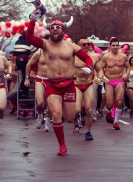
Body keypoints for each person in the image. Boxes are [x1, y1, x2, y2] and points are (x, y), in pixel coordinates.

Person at [26, 14, 93, 156]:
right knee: (56, 114)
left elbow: (87, 58)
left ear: (63, 30)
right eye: (52, 28)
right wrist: (32, 20)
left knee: (69, 118)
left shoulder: (72, 46)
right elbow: (30, 37)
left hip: (69, 84)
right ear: (49, 31)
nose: (55, 29)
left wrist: (89, 67)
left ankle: (59, 121)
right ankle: (62, 145)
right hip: (52, 85)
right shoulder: (45, 44)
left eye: (58, 27)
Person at [73, 37, 102, 140]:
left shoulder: (95, 56)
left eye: (88, 44)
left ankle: (88, 132)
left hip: (88, 84)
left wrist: (99, 78)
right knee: (77, 109)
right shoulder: (72, 56)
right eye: (83, 44)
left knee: (89, 110)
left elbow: (99, 70)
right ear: (77, 45)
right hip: (76, 83)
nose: (86, 46)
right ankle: (76, 123)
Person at [100, 37, 130, 130]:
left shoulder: (123, 56)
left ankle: (116, 122)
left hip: (119, 80)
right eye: (113, 45)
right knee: (109, 104)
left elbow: (128, 67)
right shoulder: (106, 56)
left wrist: (126, 75)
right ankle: (108, 113)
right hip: (109, 80)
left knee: (119, 101)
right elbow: (100, 68)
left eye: (117, 45)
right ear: (110, 46)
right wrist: (103, 77)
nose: (115, 47)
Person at [24, 48, 51, 132]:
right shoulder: (39, 52)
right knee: (40, 102)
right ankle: (40, 115)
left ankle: (48, 120)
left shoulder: (57, 51)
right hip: (40, 79)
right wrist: (27, 78)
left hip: (52, 80)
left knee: (50, 105)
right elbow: (28, 65)